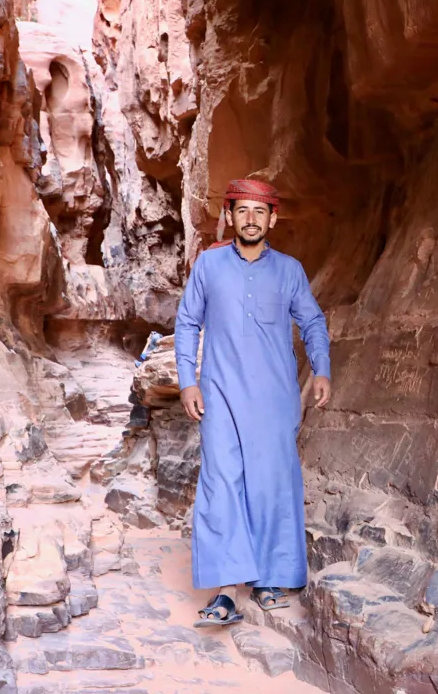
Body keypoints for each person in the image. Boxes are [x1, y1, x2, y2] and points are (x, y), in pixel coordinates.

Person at [173, 178, 332, 627]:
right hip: (219, 394)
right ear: (229, 215)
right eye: (242, 210)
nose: (250, 219)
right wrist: (189, 381)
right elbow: (187, 323)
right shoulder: (208, 266)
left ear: (272, 219)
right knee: (221, 483)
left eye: (259, 212)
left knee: (270, 485)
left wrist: (321, 369)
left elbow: (313, 321)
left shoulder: (290, 270)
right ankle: (225, 591)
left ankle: (267, 579)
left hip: (275, 398)